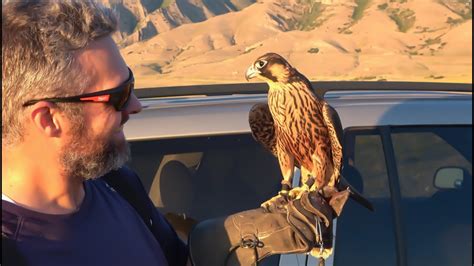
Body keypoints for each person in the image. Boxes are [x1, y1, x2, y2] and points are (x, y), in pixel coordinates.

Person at [2, 1, 338, 265]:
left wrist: (223, 244)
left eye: (131, 85)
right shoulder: (12, 249)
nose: (135, 106)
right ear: (48, 119)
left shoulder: (119, 186)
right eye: (117, 96)